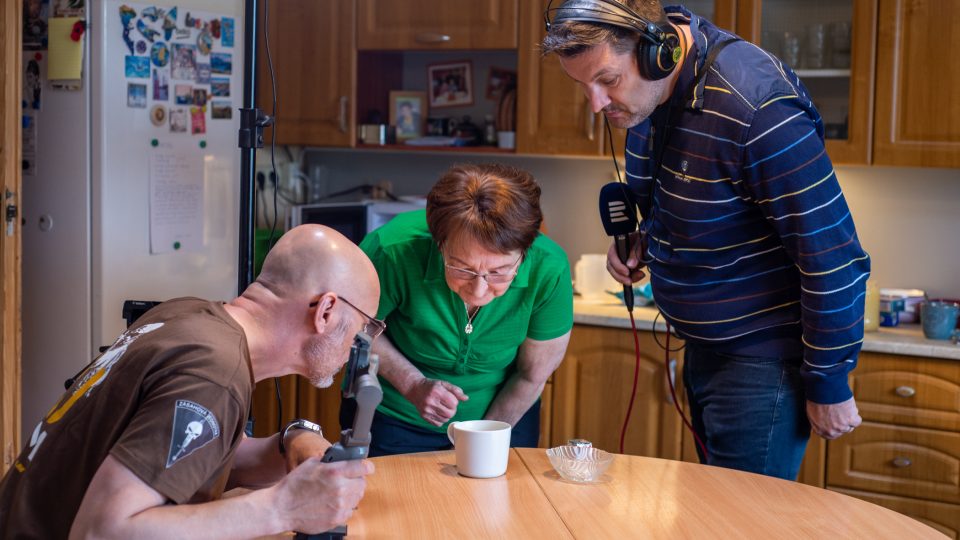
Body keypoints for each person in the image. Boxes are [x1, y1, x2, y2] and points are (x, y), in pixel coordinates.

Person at [542, 1, 870, 480]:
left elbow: (832, 258)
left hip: (764, 364)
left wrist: (830, 382)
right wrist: (642, 244)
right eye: (582, 85)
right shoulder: (648, 101)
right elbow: (692, 202)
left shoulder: (757, 110)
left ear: (658, 51)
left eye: (607, 80)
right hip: (703, 348)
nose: (595, 104)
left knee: (744, 524)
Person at [0, 225, 381, 538]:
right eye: (365, 326)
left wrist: (291, 440)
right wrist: (283, 509)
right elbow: (102, 531)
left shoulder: (191, 315)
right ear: (326, 311)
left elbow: (186, 455)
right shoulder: (212, 374)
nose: (361, 343)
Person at [342, 163, 573, 456]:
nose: (479, 290)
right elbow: (355, 327)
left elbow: (532, 376)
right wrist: (413, 384)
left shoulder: (549, 269)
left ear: (524, 253)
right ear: (439, 245)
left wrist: (484, 438)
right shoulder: (392, 250)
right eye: (461, 268)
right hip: (395, 418)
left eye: (499, 272)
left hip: (505, 416)